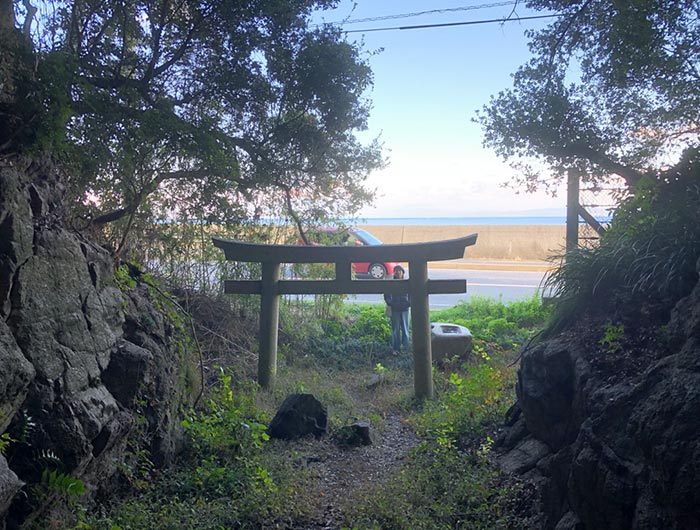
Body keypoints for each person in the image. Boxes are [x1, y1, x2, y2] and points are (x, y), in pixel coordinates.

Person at [384, 265, 410, 353]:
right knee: (395, 330)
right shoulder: (391, 283)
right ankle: (396, 348)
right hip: (395, 309)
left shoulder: (407, 283)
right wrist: (391, 303)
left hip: (405, 309)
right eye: (396, 271)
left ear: (403, 272)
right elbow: (387, 295)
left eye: (400, 271)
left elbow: (412, 295)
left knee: (405, 329)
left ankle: (406, 348)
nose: (398, 272)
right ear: (394, 272)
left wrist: (408, 304)